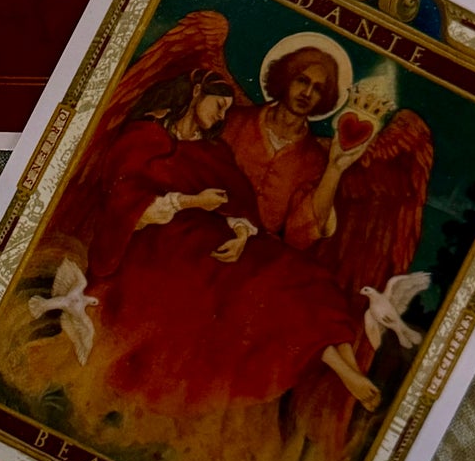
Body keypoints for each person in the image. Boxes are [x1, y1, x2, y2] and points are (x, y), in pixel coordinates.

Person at [88, 69, 380, 416]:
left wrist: (242, 235)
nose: (222, 116)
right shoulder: (148, 136)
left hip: (220, 239)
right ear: (196, 91)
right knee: (266, 286)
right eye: (303, 80)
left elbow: (249, 209)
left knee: (304, 275)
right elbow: (129, 204)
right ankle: (342, 367)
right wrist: (195, 203)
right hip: (162, 244)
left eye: (319, 88)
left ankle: (348, 369)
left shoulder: (215, 149)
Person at [222, 38, 367, 252]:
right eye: (302, 80)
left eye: (318, 89)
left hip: (258, 252)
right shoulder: (235, 121)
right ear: (286, 78)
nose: (307, 93)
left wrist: (335, 169)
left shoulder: (316, 160)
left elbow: (300, 233)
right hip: (206, 225)